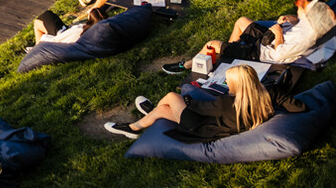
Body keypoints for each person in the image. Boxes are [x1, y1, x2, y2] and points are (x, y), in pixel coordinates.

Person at [104, 64, 310, 139]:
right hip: (217, 123)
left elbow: (199, 107)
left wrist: (185, 99)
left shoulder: (227, 103)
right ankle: (139, 124)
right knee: (161, 111)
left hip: (200, 127)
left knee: (171, 97)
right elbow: (299, 106)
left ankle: (137, 124)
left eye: (229, 83)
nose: (228, 86)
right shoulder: (269, 93)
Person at [195, 0, 335, 66]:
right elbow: (296, 20)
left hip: (261, 52)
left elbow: (279, 55)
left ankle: (189, 65)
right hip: (269, 38)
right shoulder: (310, 21)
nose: (299, 6)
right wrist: (287, 19)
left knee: (211, 44)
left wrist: (279, 33)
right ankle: (229, 53)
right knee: (241, 21)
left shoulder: (305, 40)